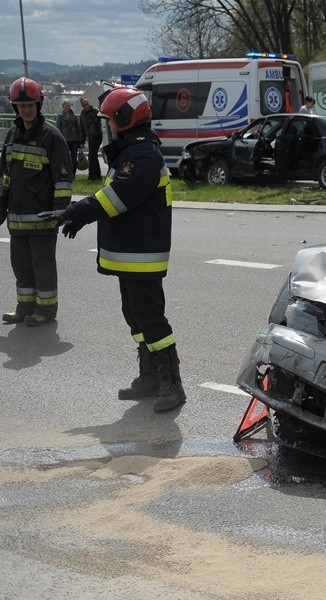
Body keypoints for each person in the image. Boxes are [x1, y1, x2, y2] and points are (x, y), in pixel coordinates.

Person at [39, 86, 186, 413]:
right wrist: (81, 216)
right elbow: (113, 200)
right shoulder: (131, 153)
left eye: (111, 120)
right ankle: (149, 376)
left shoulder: (143, 156)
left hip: (142, 254)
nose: (108, 127)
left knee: (151, 319)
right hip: (131, 252)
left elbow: (115, 199)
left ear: (125, 119)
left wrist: (74, 212)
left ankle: (171, 383)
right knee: (134, 316)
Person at [0, 77, 73, 327]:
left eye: (30, 105)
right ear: (15, 108)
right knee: (21, 267)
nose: (26, 110)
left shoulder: (51, 136)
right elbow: (5, 175)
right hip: (17, 220)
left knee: (42, 267)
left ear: (39, 103)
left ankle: (46, 310)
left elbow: (63, 180)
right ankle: (24, 308)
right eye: (21, 106)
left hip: (42, 220)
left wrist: (59, 213)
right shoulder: (12, 133)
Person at [78, 97, 103, 181]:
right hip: (90, 137)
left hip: (97, 135)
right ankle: (96, 175)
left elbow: (101, 123)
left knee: (91, 155)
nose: (86, 106)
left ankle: (93, 175)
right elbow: (82, 128)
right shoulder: (82, 114)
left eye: (86, 104)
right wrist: (82, 141)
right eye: (84, 105)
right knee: (93, 156)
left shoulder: (95, 112)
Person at [56, 100, 81, 176]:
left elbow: (78, 128)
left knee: (74, 158)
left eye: (69, 106)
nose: (68, 108)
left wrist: (80, 141)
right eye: (66, 106)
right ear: (63, 107)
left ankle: (73, 174)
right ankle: (65, 173)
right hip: (65, 139)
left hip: (74, 139)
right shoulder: (60, 117)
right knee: (65, 157)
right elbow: (58, 128)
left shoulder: (74, 116)